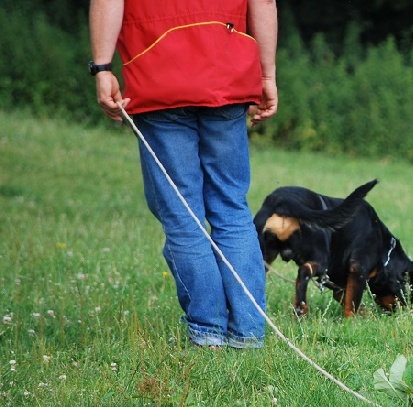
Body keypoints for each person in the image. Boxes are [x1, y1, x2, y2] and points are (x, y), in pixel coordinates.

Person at [89, 0, 278, 348]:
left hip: (157, 72)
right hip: (227, 72)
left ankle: (208, 333)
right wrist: (266, 75)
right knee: (231, 208)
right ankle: (248, 334)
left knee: (182, 215)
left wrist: (102, 68)